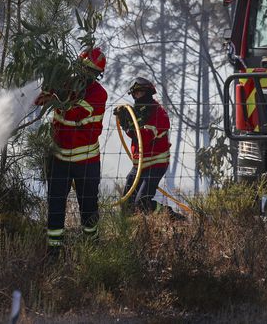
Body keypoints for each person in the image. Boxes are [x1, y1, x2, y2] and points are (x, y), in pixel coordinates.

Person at [35, 48, 108, 255]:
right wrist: (45, 89)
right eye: (83, 69)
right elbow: (41, 101)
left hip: (86, 161)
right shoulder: (63, 84)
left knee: (89, 206)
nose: (85, 75)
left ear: (96, 75)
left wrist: (57, 95)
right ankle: (54, 251)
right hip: (58, 159)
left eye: (91, 72)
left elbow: (74, 109)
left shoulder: (98, 94)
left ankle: (92, 248)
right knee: (56, 205)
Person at [115, 77, 181, 217]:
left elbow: (142, 137)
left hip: (155, 163)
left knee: (142, 202)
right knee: (127, 204)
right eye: (135, 93)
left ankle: (170, 215)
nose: (137, 96)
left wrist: (129, 127)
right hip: (138, 165)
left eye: (140, 93)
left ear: (148, 92)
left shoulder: (159, 113)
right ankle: (133, 233)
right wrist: (125, 122)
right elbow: (135, 134)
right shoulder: (136, 112)